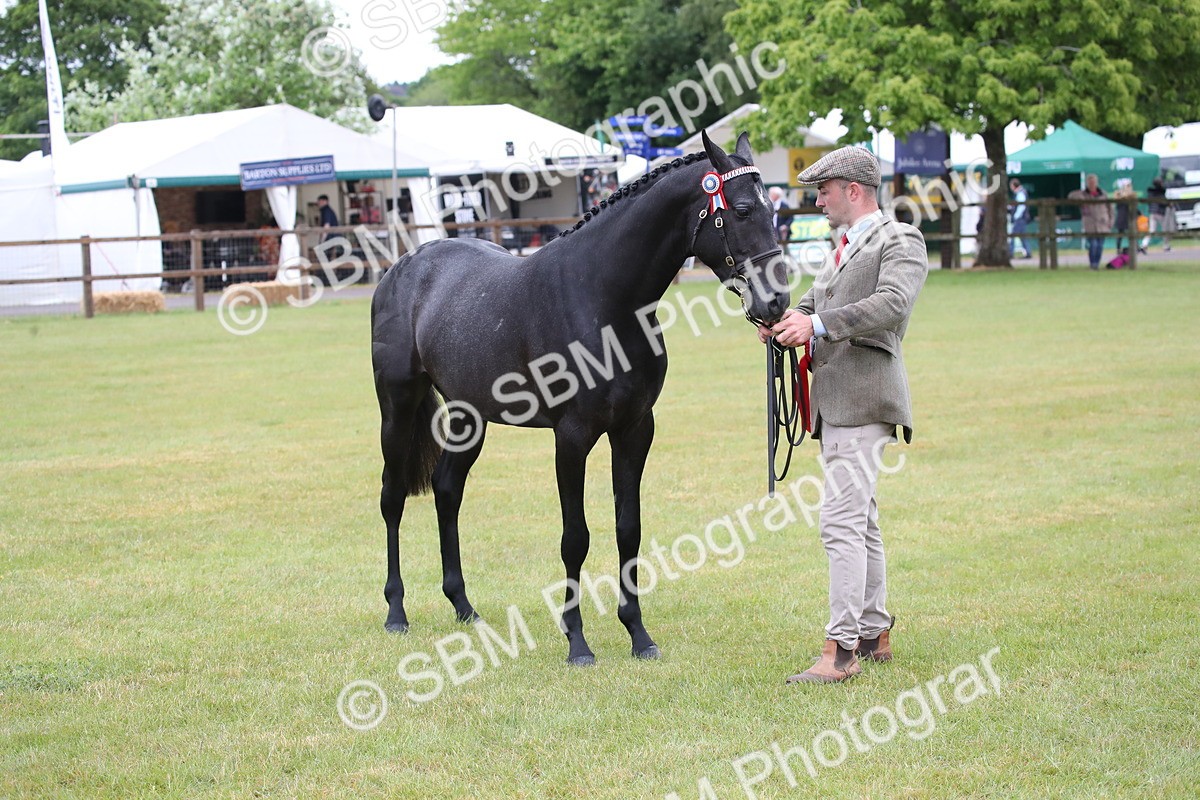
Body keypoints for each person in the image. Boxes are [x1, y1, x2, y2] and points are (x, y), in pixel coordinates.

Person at [758, 146, 928, 684]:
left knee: (840, 522)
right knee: (863, 520)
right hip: (838, 402)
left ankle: (841, 650)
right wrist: (786, 322)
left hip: (865, 397)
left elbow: (892, 304)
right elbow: (812, 303)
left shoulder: (899, 239)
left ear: (853, 190)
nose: (817, 200)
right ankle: (875, 634)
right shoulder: (844, 248)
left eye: (824, 190)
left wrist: (820, 327)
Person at [1068, 174, 1112, 270]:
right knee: (1093, 244)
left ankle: (1097, 263)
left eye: (1093, 182)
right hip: (1090, 224)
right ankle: (1093, 264)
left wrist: (1110, 222)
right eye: (1090, 182)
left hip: (1102, 222)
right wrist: (1082, 193)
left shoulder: (1103, 194)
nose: (1092, 184)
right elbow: (1071, 196)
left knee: (1100, 245)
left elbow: (1110, 209)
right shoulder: (1083, 194)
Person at [1142, 176, 1175, 253]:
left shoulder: (1151, 192)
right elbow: (1163, 202)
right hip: (1159, 212)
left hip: (1153, 213)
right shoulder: (1160, 192)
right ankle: (1166, 246)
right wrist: (1169, 204)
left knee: (1152, 230)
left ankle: (1144, 244)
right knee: (1164, 230)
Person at [1111, 179, 1137, 255]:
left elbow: (1134, 201)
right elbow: (1117, 200)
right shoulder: (1118, 194)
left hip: (1130, 217)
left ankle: (1135, 248)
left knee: (1132, 234)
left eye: (1129, 186)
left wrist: (1128, 193)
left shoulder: (1132, 195)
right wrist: (1123, 194)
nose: (1128, 187)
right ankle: (1118, 249)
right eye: (1127, 186)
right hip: (1121, 217)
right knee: (1120, 234)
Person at [1008, 178, 1031, 258]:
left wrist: (1016, 216)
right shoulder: (1021, 193)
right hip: (1021, 218)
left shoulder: (1020, 193)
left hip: (1019, 218)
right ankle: (1028, 252)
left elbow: (1021, 206)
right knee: (1022, 236)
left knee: (1013, 235)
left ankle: (1010, 253)